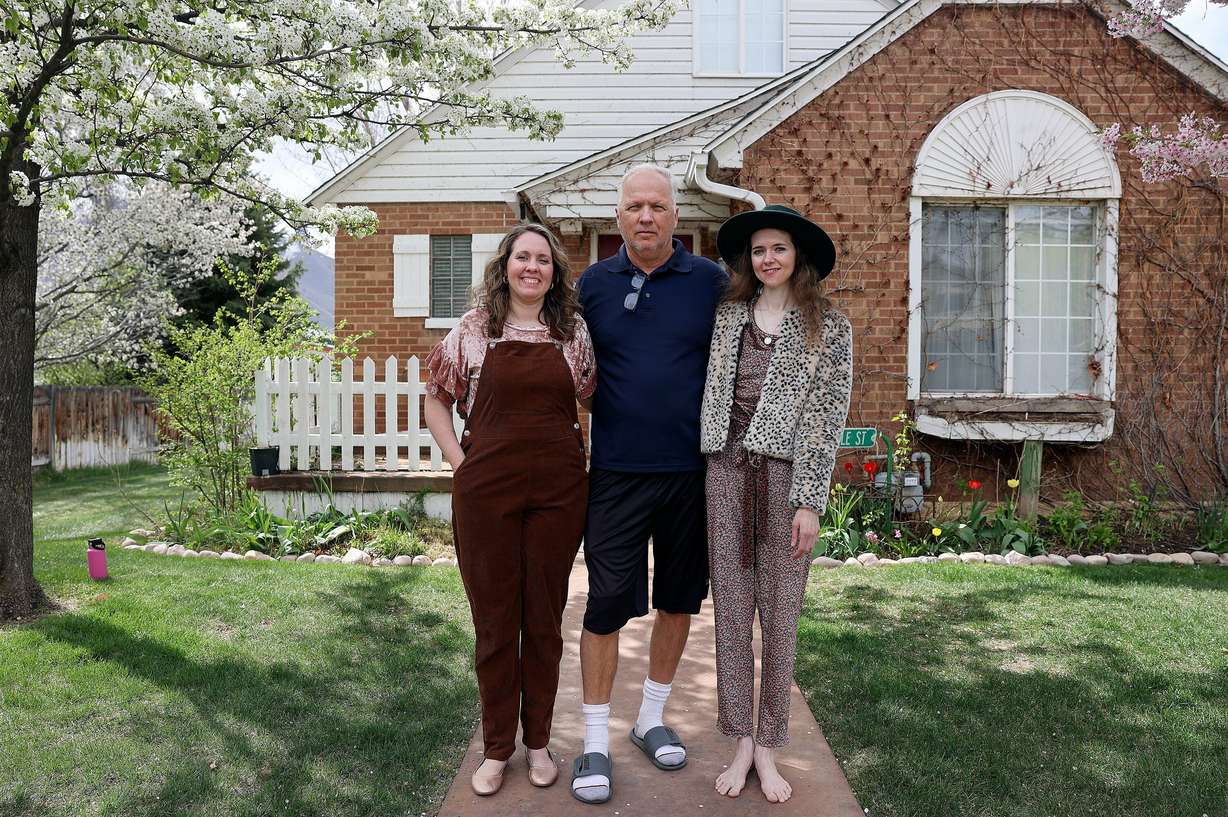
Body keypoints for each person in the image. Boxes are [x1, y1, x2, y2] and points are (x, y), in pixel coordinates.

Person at [570, 164, 727, 804]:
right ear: (618, 218)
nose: (645, 216)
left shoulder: (712, 283)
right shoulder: (592, 285)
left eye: (657, 206)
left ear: (675, 216)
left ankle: (650, 716)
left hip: (692, 473)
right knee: (606, 603)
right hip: (615, 473)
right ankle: (595, 741)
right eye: (634, 206)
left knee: (680, 600)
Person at [424, 223, 596, 797]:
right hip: (486, 493)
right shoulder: (473, 331)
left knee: (544, 622)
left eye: (542, 260)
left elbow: (594, 397)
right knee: (495, 623)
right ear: (506, 266)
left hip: (558, 492)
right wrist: (460, 463)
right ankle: (498, 749)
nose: (532, 268)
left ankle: (540, 743)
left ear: (555, 272)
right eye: (522, 257)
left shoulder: (573, 334)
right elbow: (437, 400)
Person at [699, 204, 852, 803]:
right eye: (758, 250)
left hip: (785, 481)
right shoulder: (728, 316)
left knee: (781, 616)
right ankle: (739, 741)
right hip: (725, 476)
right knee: (733, 615)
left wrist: (810, 501)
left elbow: (824, 418)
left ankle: (769, 747)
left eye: (778, 249)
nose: (767, 259)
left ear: (798, 258)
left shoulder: (827, 326)